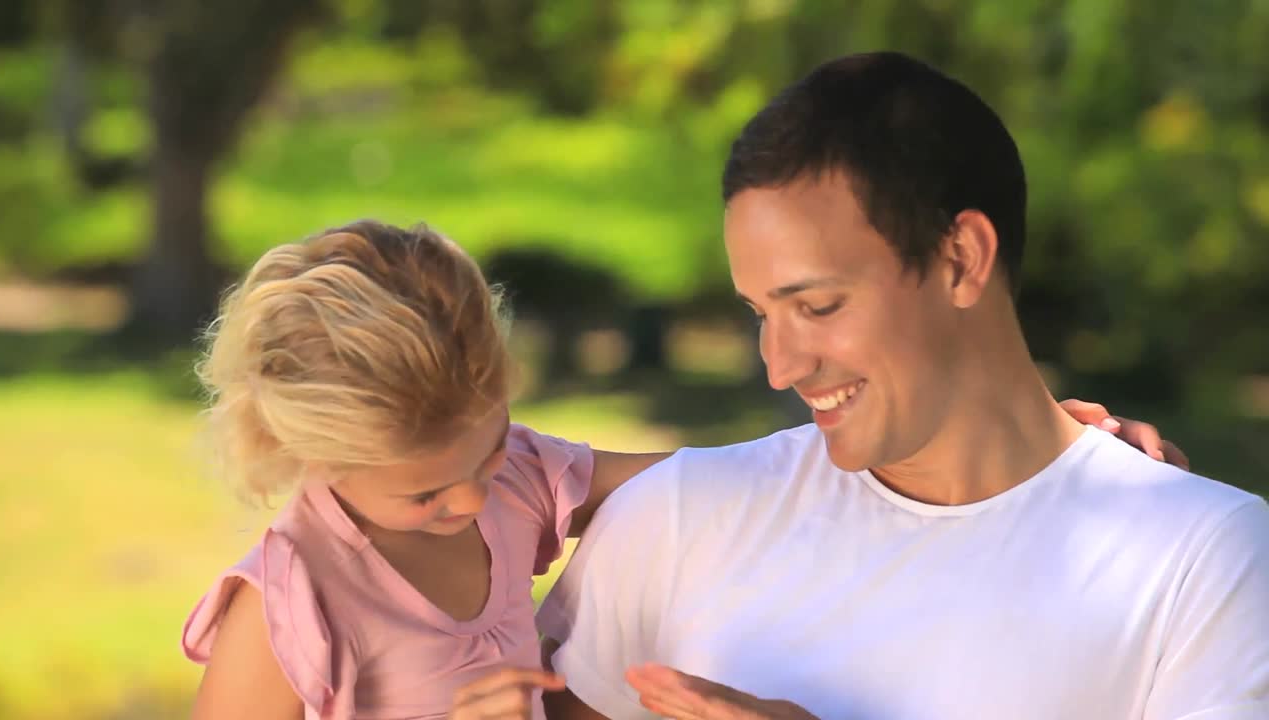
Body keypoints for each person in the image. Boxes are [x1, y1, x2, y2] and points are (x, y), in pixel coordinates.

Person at [182, 220, 1173, 720]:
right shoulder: (285, 612)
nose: (478, 499)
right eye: (428, 492)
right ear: (310, 454)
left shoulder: (512, 480)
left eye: (489, 450)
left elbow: (748, 481)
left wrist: (1018, 442)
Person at [536, 52, 1269, 720]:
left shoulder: (1206, 560)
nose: (780, 366)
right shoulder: (670, 525)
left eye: (817, 307)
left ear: (960, 259)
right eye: (760, 312)